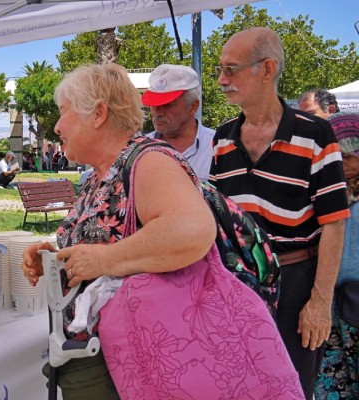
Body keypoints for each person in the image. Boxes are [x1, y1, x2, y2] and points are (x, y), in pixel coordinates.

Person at [21, 63, 301, 399]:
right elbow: (115, 247)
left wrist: (103, 259)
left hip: (134, 365)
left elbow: (191, 230)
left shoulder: (147, 161)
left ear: (98, 114)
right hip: (108, 358)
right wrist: (58, 261)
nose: (57, 126)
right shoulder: (104, 173)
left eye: (63, 113)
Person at [209, 27, 349, 399]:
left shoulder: (316, 134)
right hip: (237, 284)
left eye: (231, 69)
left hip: (296, 284)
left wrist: (319, 303)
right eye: (220, 70)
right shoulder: (222, 137)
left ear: (267, 69)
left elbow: (334, 224)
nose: (222, 80)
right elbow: (213, 217)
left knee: (290, 389)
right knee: (238, 387)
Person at [315, 113, 359, 399]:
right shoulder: (321, 193)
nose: (341, 162)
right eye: (335, 155)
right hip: (326, 311)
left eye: (348, 155)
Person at [141, 64, 215, 182]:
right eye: (153, 104)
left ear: (193, 107)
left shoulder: (218, 147)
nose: (158, 112)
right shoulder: (140, 148)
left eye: (167, 104)